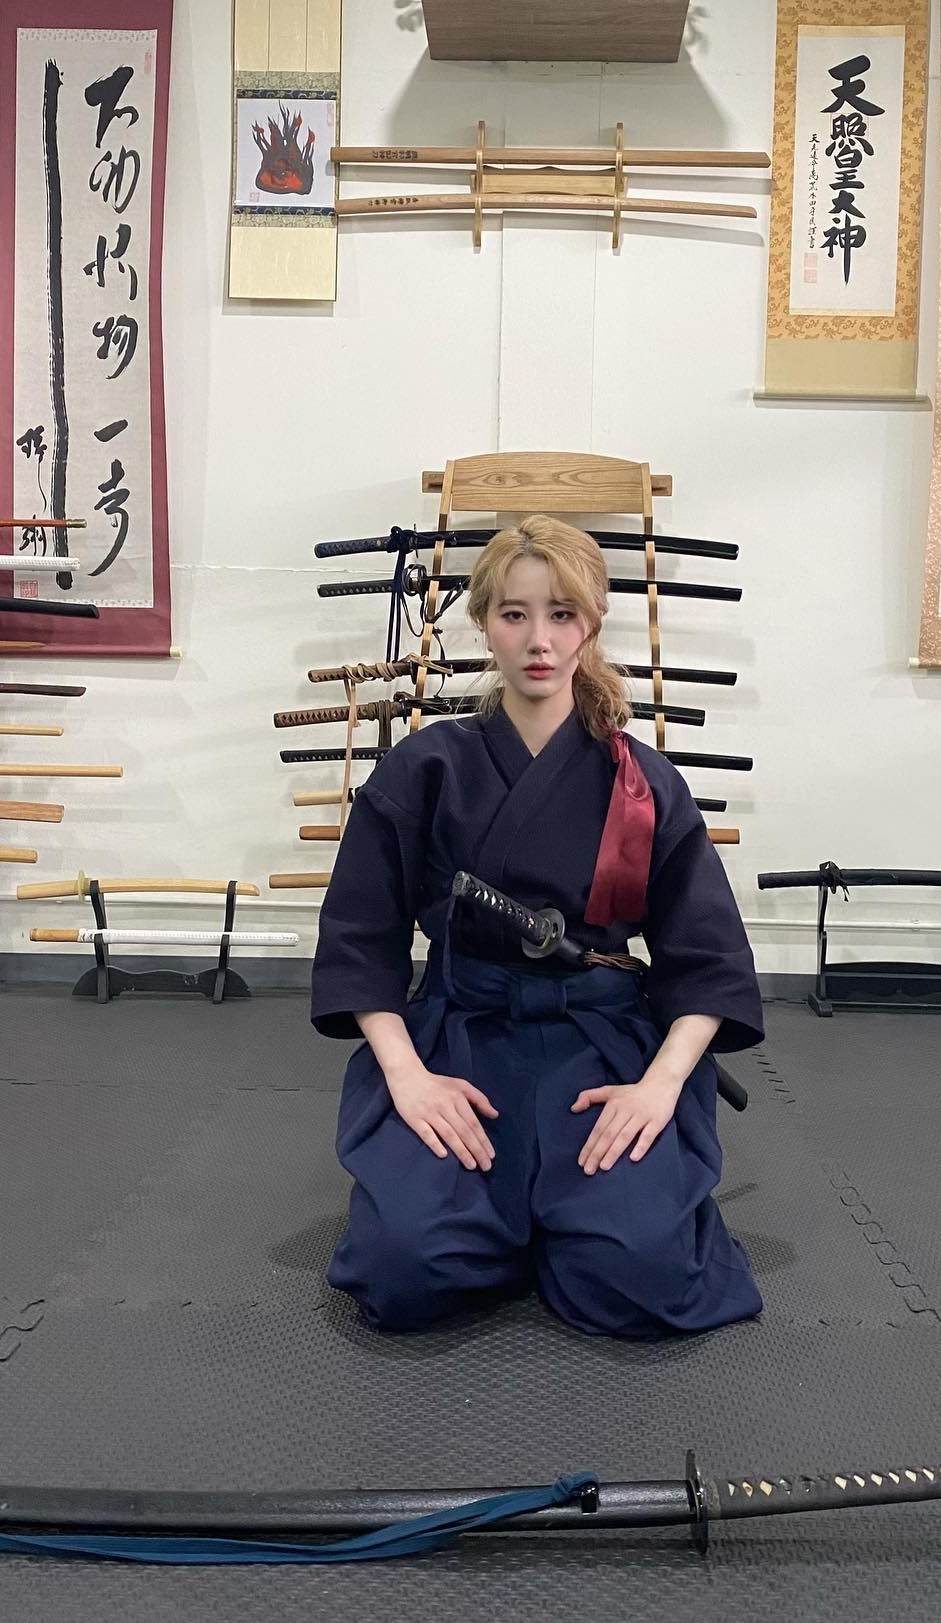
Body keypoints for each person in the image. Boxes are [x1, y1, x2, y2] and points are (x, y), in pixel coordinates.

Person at [310, 514, 764, 1340]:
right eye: (514, 614)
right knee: (401, 1270)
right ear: (485, 622)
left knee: (641, 1276)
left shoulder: (640, 784)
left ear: (592, 622)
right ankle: (514, 1222)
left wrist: (659, 1087)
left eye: (561, 613)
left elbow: (708, 959)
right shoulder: (425, 768)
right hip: (460, 1037)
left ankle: (552, 1226)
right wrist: (408, 1078)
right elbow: (360, 938)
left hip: (598, 1045)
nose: (539, 640)